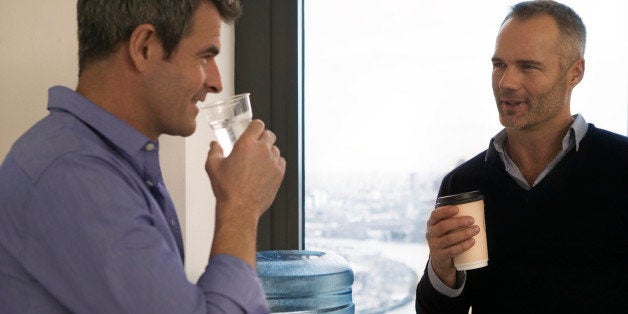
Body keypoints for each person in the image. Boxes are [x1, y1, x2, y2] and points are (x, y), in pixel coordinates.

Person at [0, 0, 285, 313]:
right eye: (205, 56)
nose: (215, 82)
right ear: (145, 47)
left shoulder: (106, 161)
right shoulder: (72, 176)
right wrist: (240, 208)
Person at [416, 1, 628, 313]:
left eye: (528, 66)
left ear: (575, 73)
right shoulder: (464, 184)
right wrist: (441, 271)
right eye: (499, 65)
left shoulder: (621, 168)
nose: (506, 83)